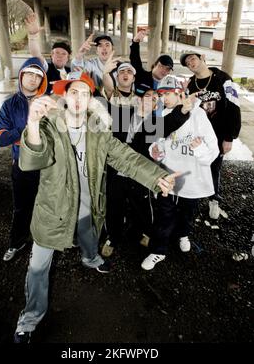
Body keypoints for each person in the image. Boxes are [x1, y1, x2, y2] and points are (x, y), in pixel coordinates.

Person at [13, 71, 180, 343]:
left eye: (85, 93)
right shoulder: (48, 126)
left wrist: (156, 176)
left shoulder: (98, 131)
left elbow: (125, 157)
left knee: (89, 235)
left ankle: (92, 259)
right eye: (73, 92)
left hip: (88, 204)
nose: (78, 98)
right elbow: (30, 161)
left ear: (91, 100)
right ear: (65, 96)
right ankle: (29, 320)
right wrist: (32, 123)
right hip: (51, 210)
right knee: (38, 268)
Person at [102, 82, 193, 258]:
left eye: (153, 98)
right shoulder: (122, 114)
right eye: (146, 97)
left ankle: (145, 232)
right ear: (138, 99)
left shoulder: (155, 123)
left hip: (141, 174)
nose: (149, 100)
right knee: (114, 206)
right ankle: (112, 238)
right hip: (116, 171)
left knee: (142, 206)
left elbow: (170, 123)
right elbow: (103, 107)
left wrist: (182, 111)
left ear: (155, 104)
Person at [141, 75, 219, 271]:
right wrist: (155, 152)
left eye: (169, 93)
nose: (165, 98)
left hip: (192, 176)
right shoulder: (161, 116)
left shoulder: (198, 115)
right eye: (161, 94)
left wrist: (199, 149)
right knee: (164, 213)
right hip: (168, 175)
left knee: (187, 211)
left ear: (179, 93)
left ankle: (183, 233)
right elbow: (155, 144)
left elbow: (214, 149)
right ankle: (158, 250)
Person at [0, 58, 47, 261]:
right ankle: (16, 242)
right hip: (22, 166)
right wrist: (29, 128)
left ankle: (43, 244)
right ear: (22, 76)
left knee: (46, 206)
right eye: (30, 74)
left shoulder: (48, 102)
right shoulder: (9, 105)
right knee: (21, 208)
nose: (34, 79)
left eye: (38, 76)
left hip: (46, 166)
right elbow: (1, 138)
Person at [180, 51, 241, 220]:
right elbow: (186, 109)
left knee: (214, 168)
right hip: (199, 137)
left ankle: (214, 199)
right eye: (187, 62)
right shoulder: (191, 84)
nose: (191, 63)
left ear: (202, 58)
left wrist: (229, 137)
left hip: (219, 134)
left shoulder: (223, 78)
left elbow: (234, 107)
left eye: (193, 58)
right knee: (197, 165)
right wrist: (183, 93)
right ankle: (193, 196)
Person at [25, 12, 71, 94]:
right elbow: (36, 54)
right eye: (56, 53)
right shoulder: (47, 68)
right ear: (51, 56)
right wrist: (32, 36)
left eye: (63, 54)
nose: (59, 56)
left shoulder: (71, 72)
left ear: (68, 58)